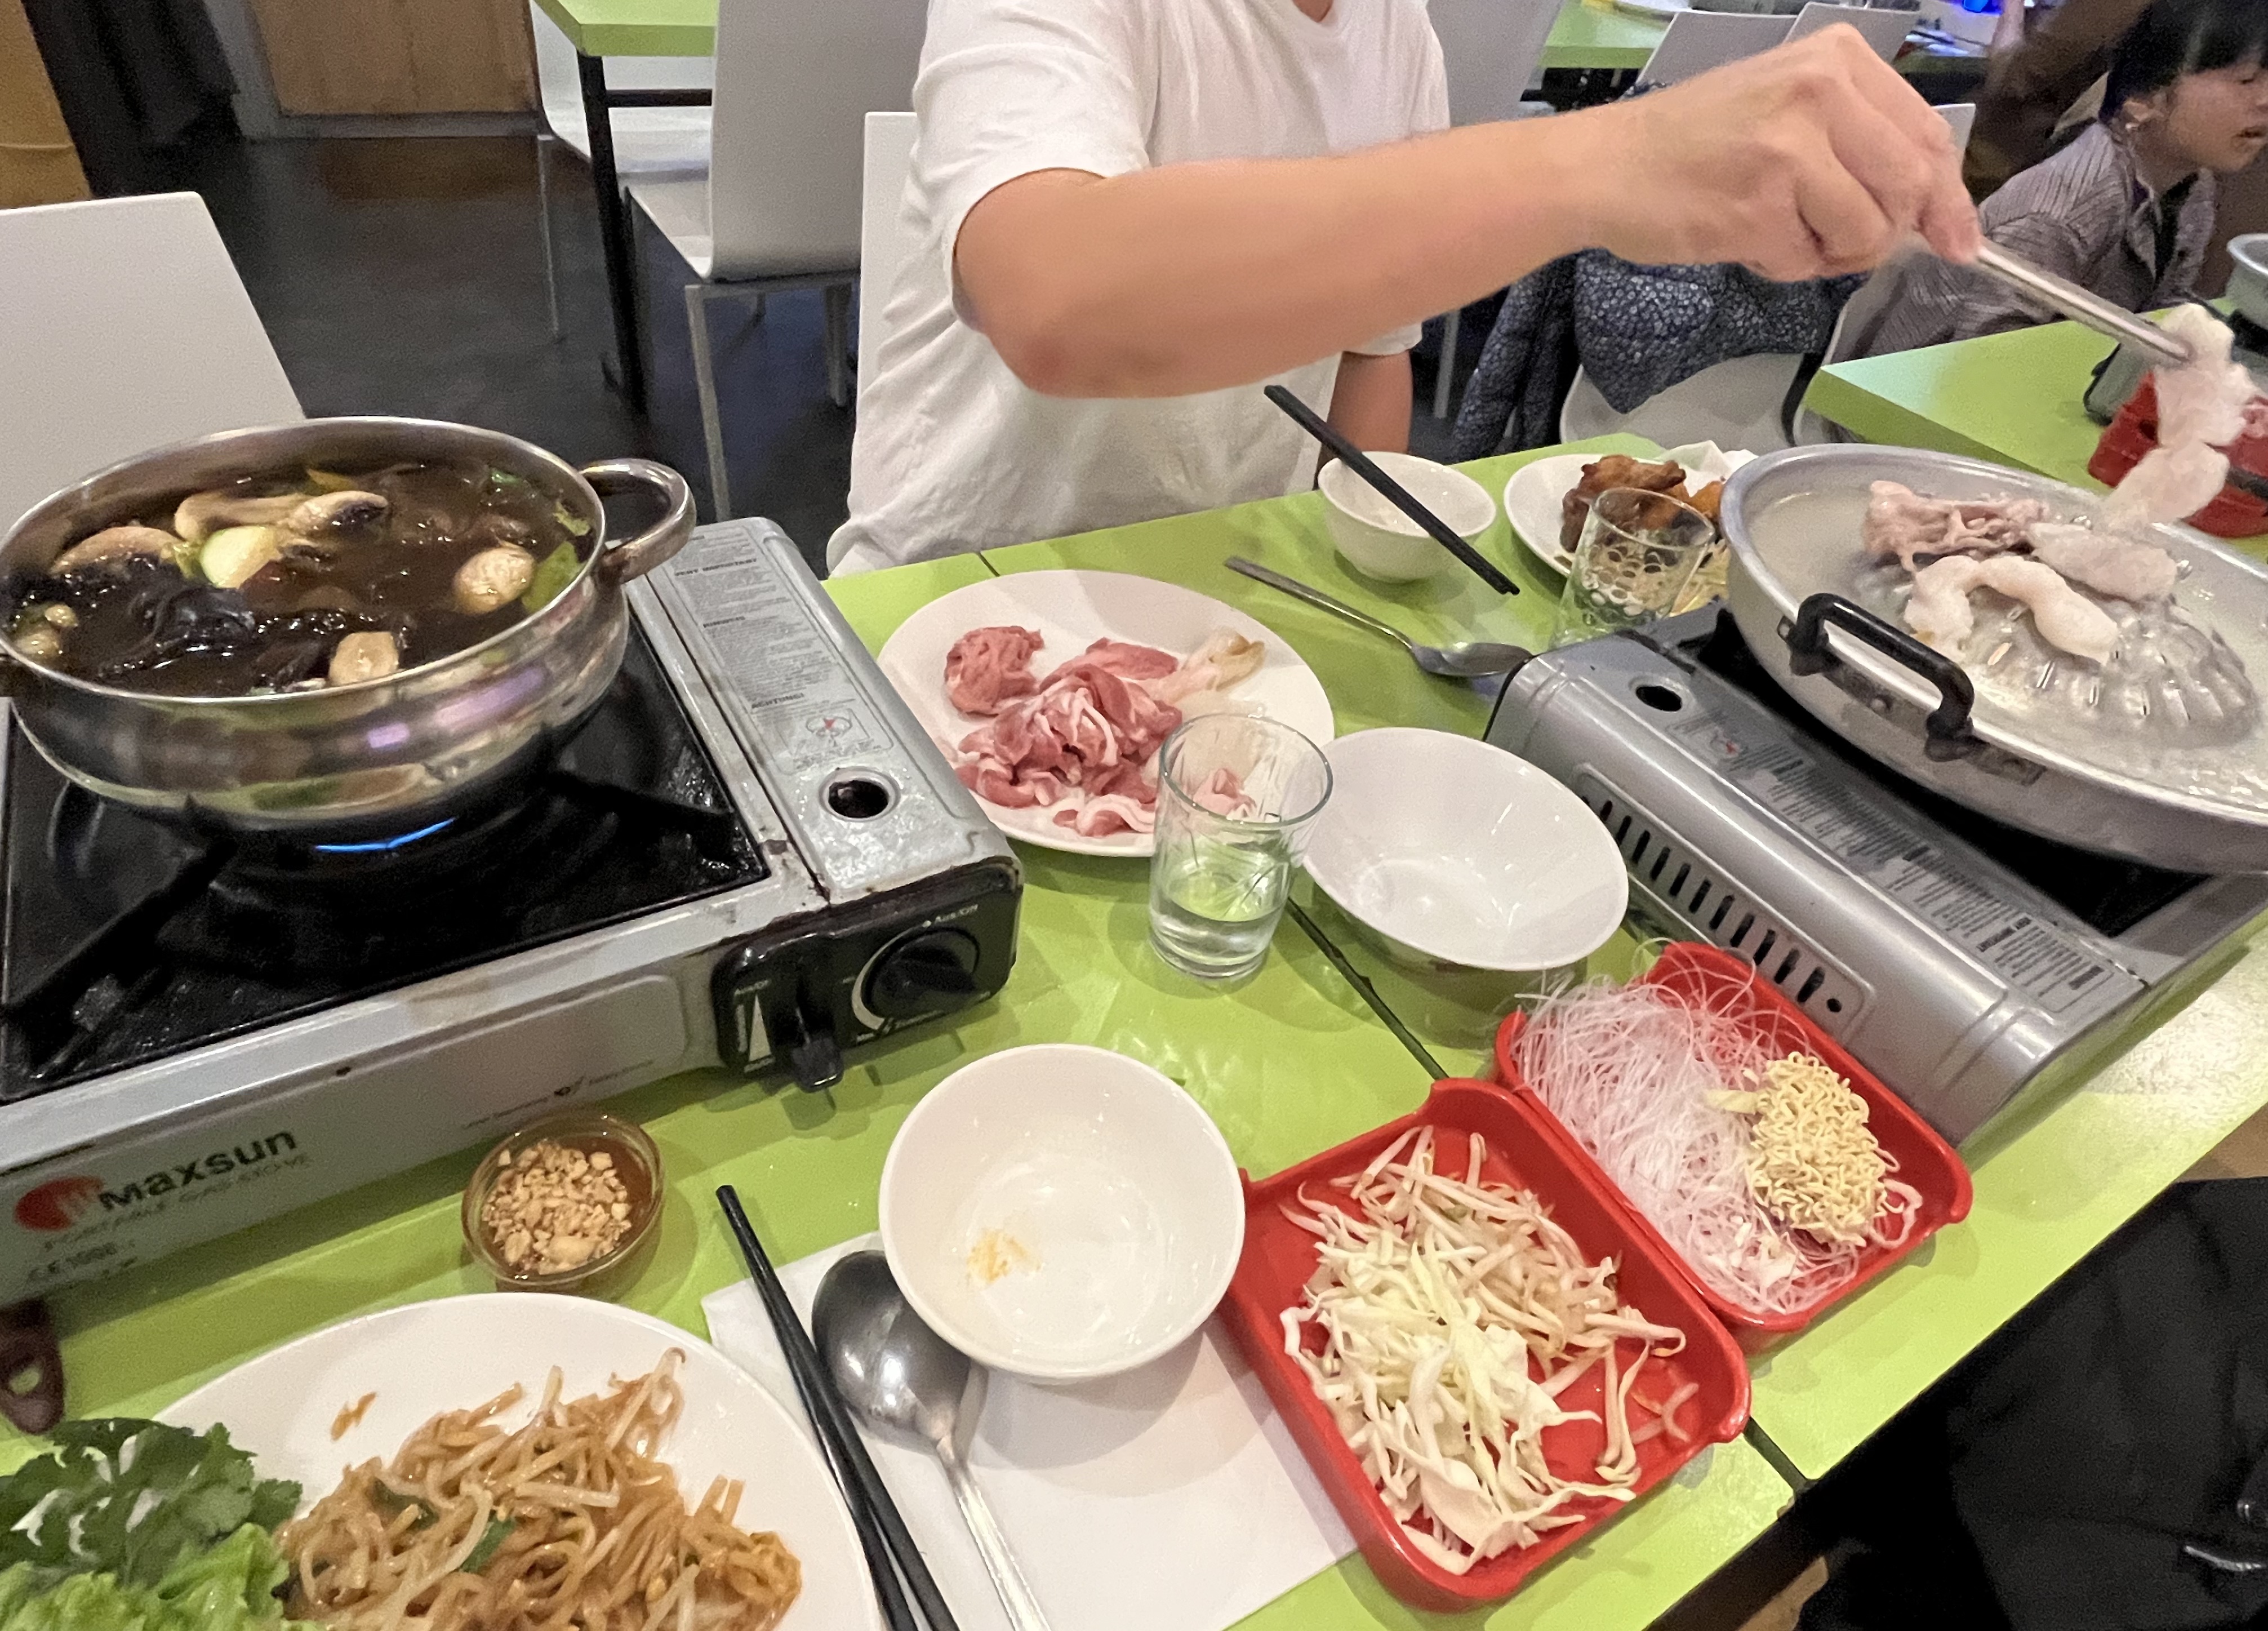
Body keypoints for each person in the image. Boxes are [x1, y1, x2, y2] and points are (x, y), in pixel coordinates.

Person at [826, 8, 1977, 574]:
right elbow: (1056, 299)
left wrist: (1357, 551)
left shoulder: (1396, 31)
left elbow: (1371, 355)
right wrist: (1604, 162)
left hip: (1223, 577)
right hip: (959, 579)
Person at [1865, 0, 2268, 357]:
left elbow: (2163, 313)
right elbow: (1983, 360)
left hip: (2044, 373)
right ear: (2144, 103)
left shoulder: (2192, 185)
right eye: (2246, 81)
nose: (2264, 100)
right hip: (1911, 392)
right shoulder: (2060, 215)